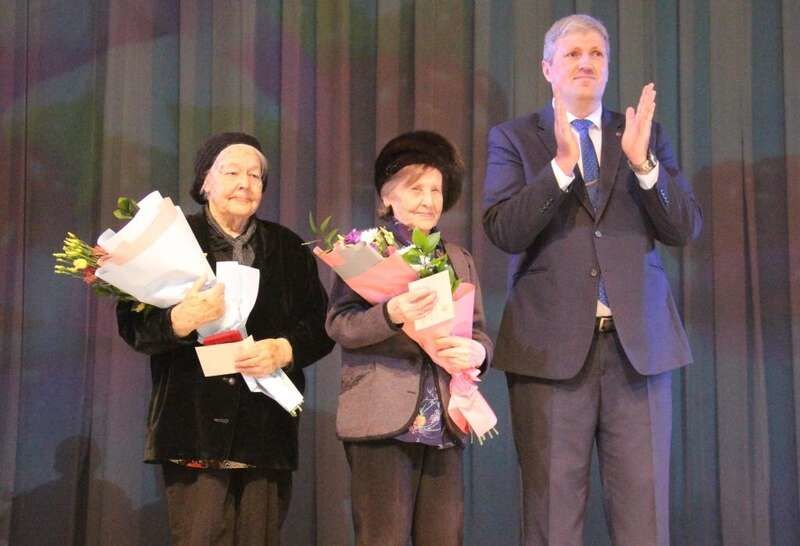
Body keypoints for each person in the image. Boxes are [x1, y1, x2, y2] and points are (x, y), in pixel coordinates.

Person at [482, 14, 702, 546]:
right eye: (573, 53)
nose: (586, 62)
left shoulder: (644, 135)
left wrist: (644, 166)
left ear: (608, 66)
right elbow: (504, 230)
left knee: (644, 519)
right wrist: (560, 167)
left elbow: (683, 228)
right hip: (549, 354)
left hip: (639, 352)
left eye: (597, 54)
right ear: (547, 68)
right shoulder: (514, 138)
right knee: (552, 518)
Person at [117, 132, 334, 545]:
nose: (245, 183)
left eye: (255, 175)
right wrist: (177, 321)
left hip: (265, 428)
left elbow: (321, 325)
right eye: (232, 172)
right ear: (205, 182)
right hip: (192, 426)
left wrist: (284, 349)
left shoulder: (288, 247)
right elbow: (132, 326)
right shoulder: (173, 241)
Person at [326, 130, 493, 546]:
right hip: (381, 420)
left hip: (445, 423)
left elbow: (479, 332)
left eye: (436, 189)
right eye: (416, 188)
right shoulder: (364, 250)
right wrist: (391, 313)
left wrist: (477, 352)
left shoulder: (458, 259)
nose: (428, 199)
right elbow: (340, 325)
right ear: (387, 196)